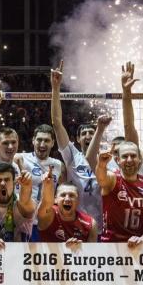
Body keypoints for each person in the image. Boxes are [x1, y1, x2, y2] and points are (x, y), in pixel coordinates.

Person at [50, 60, 102, 228]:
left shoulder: (106, 159)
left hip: (102, 223)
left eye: (91, 133)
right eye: (84, 134)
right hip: (75, 222)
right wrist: (56, 88)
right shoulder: (73, 156)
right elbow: (57, 123)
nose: (88, 136)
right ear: (78, 139)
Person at [96, 140, 143, 246]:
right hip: (110, 246)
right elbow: (101, 179)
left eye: (133, 156)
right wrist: (101, 165)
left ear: (139, 160)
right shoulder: (112, 178)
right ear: (118, 160)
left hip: (136, 245)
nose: (129, 160)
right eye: (125, 156)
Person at [14, 124, 63, 240]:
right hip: (23, 221)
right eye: (39, 140)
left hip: (45, 222)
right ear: (33, 141)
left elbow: (62, 191)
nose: (42, 144)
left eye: (46, 140)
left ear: (52, 143)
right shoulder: (20, 158)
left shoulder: (59, 165)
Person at [37, 166, 97, 243]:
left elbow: (92, 253)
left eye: (72, 195)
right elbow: (46, 202)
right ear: (55, 199)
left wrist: (79, 249)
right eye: (63, 195)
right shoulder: (48, 215)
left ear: (78, 200)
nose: (67, 199)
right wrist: (48, 185)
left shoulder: (90, 224)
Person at [0, 162, 35, 243]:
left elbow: (25, 200)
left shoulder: (21, 203)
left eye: (7, 180)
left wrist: (26, 186)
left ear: (14, 183)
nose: (3, 183)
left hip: (20, 254)